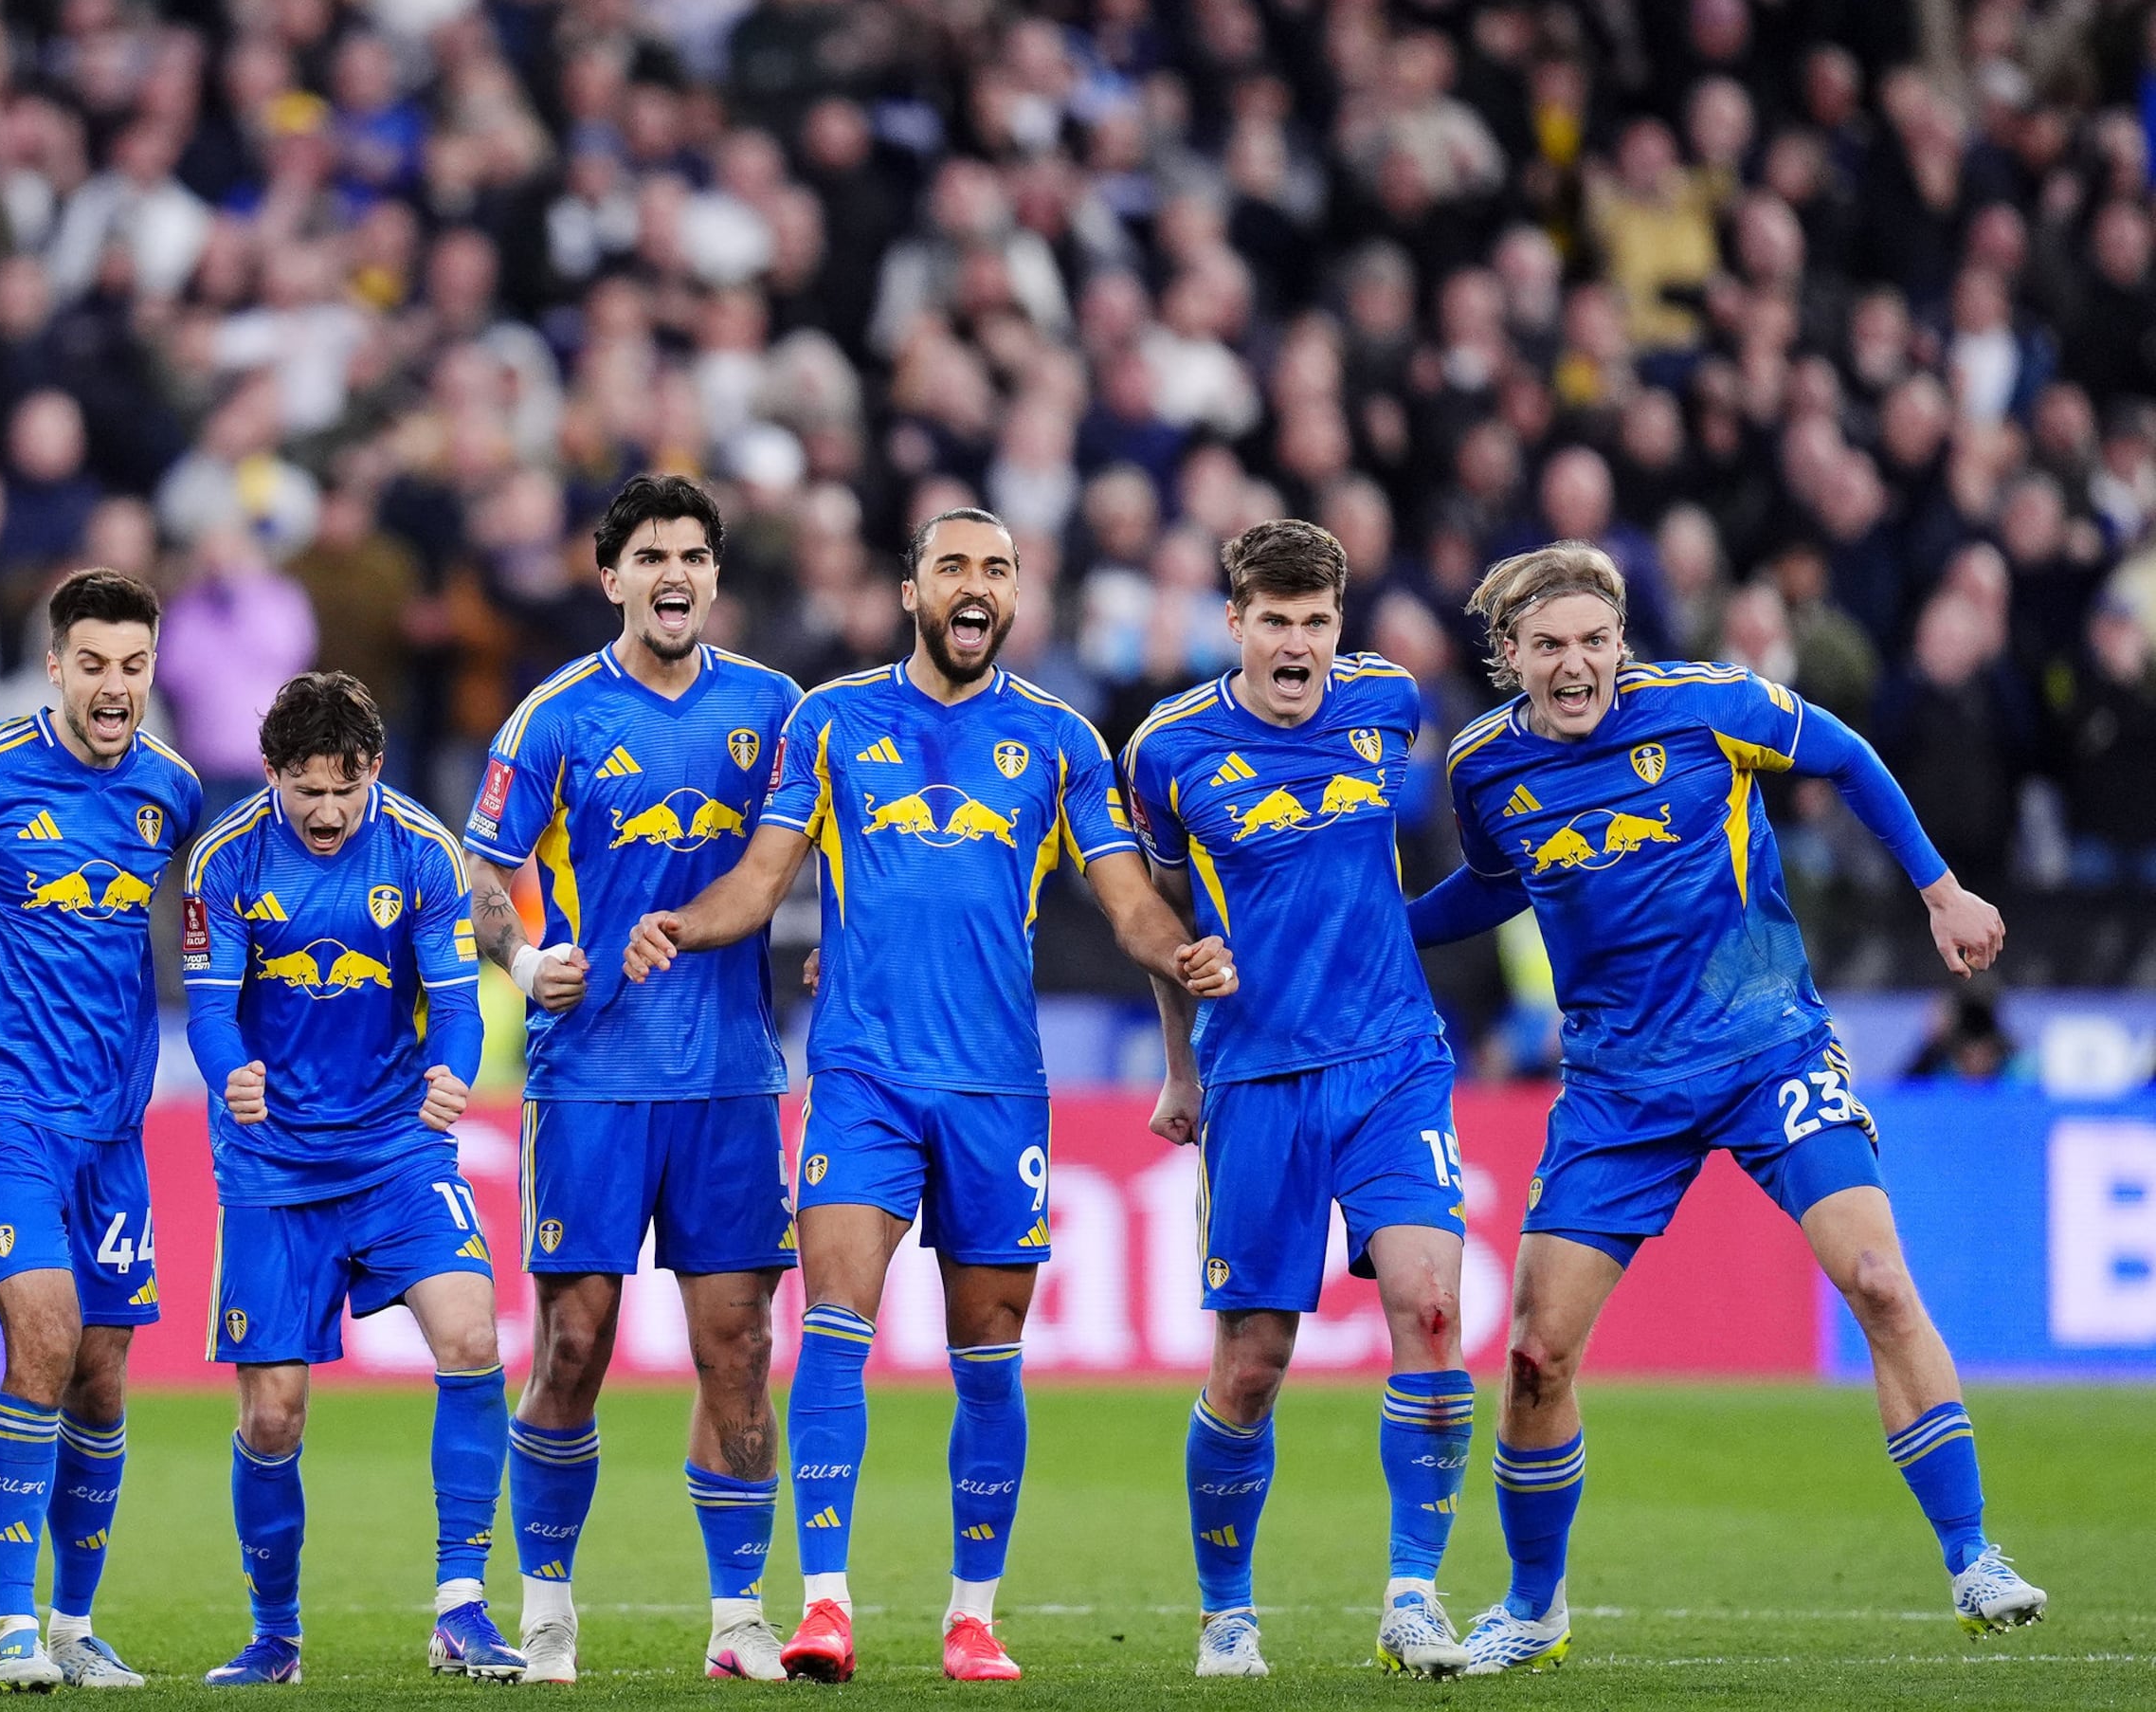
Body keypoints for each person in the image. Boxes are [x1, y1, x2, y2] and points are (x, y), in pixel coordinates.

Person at [623, 509, 1232, 1685]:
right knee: (836, 1329)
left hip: (998, 1087)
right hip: (863, 1073)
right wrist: (681, 926)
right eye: (953, 566)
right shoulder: (834, 719)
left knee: (988, 1350)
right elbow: (761, 876)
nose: (975, 585)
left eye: (996, 569)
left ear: (1015, 596)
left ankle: (971, 1616)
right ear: (911, 591)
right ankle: (826, 1609)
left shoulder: (1058, 739)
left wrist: (1186, 951)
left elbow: (1122, 898)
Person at [1409, 543, 2041, 1671]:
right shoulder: (1482, 769)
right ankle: (1534, 1606)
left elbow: (1844, 755)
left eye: (1594, 642)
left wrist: (1941, 890)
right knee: (1536, 1360)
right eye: (1548, 646)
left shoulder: (1711, 707)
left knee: (1881, 1281)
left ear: (1619, 643)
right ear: (1508, 658)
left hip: (1766, 1048)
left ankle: (1974, 1553)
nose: (1576, 665)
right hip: (1615, 1088)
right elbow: (1496, 884)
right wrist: (1372, 930)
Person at [1115, 519, 1473, 1680]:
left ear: (1338, 623)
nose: (1298, 644)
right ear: (1235, 623)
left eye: (1316, 621)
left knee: (1428, 1311)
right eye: (1274, 621)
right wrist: (1182, 1062)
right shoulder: (1169, 751)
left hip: (1392, 1059)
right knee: (1255, 1359)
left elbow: (1394, 866)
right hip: (1256, 1078)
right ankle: (1228, 1612)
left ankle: (1414, 1596)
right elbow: (1164, 916)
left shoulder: (1388, 702)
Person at [458, 474, 799, 1682]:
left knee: (739, 1347)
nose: (674, 574)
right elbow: (481, 873)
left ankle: (738, 1619)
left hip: (727, 1080)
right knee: (574, 1342)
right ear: (611, 577)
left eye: (695, 556)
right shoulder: (552, 718)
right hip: (591, 1076)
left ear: (714, 576)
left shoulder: (773, 709)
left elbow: (815, 858)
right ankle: (546, 1607)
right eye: (650, 554)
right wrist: (523, 954)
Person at [0, 569, 208, 1689]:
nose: (114, 688)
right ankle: (7, 1624)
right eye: (94, 665)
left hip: (116, 1125)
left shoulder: (172, 791)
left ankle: (73, 1627)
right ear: (54, 666)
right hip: (1, 1103)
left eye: (133, 666)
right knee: (44, 1335)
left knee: (106, 1376)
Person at [181, 670, 524, 1686]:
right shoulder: (226, 856)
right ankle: (274, 1634)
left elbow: (456, 1002)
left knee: (470, 1335)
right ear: (273, 773)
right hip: (273, 1160)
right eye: (305, 790)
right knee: (273, 1413)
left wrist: (452, 1075)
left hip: (395, 1146)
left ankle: (462, 1606)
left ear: (373, 770)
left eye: (344, 788)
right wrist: (228, 1072)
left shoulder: (422, 850)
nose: (326, 813)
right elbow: (207, 1005)